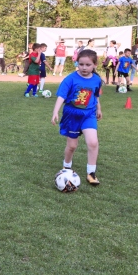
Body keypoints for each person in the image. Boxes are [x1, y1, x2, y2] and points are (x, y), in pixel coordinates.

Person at [51, 49, 103, 186]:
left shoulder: (97, 80)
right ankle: (66, 167)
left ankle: (91, 173)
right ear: (77, 63)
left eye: (88, 65)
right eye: (81, 64)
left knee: (93, 142)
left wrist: (99, 108)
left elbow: (95, 96)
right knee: (72, 146)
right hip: (72, 115)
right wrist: (55, 111)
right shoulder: (70, 78)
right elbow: (61, 95)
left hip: (89, 115)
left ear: (95, 65)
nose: (84, 68)